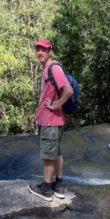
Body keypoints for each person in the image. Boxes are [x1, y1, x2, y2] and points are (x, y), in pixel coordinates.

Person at [28, 39, 74, 202]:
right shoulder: (46, 69)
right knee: (56, 152)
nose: (40, 52)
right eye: (38, 49)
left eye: (43, 50)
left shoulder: (54, 68)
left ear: (50, 52)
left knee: (48, 155)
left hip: (51, 120)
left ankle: (46, 189)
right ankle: (59, 186)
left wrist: (55, 105)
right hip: (51, 119)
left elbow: (68, 90)